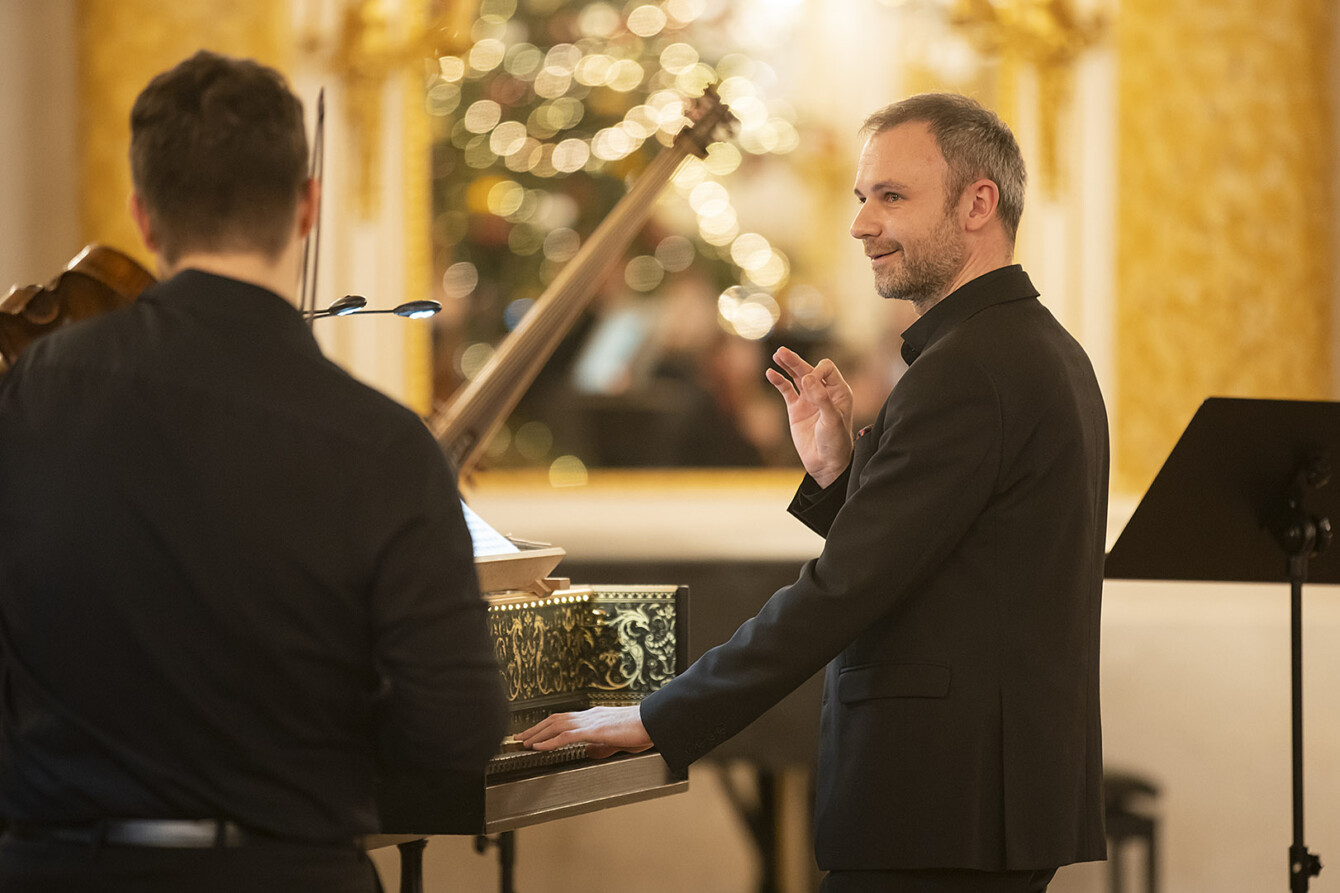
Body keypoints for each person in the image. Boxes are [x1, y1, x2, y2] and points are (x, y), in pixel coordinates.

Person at [521, 93, 1109, 892]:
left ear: (980, 203)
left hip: (939, 805)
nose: (863, 224)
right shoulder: (1031, 348)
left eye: (893, 197)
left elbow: (846, 588)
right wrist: (838, 474)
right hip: (971, 803)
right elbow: (944, 559)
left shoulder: (968, 368)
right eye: (862, 198)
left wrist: (656, 715)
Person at [0, 51, 506, 892]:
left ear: (143, 214)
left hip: (54, 867)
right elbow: (456, 728)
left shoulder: (28, 396)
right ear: (307, 206)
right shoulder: (383, 444)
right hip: (286, 868)